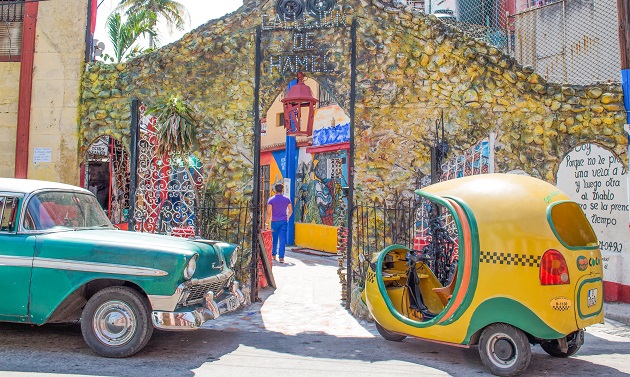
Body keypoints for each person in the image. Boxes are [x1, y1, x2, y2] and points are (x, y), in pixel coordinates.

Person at [266, 183, 293, 263]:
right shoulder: (287, 199)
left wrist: (266, 223)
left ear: (274, 190)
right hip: (283, 221)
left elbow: (268, 213)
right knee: (282, 239)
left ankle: (273, 254)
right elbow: (290, 211)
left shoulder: (271, 200)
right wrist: (287, 217)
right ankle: (281, 257)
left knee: (274, 239)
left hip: (274, 221)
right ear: (282, 190)